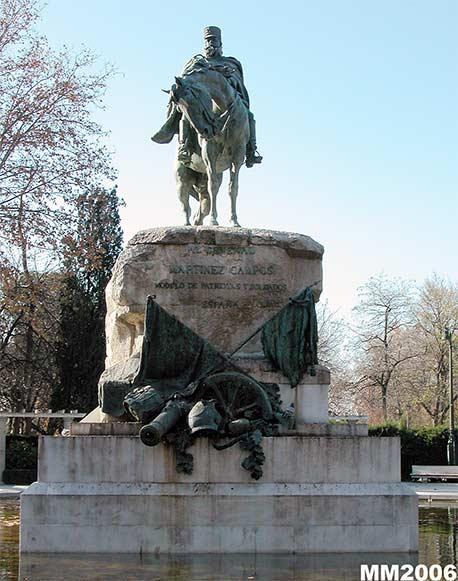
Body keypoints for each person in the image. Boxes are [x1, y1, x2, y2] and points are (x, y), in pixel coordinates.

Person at [152, 26, 262, 168]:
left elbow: (238, 82)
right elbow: (185, 79)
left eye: (214, 40)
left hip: (226, 103)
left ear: (220, 43)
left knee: (249, 115)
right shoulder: (196, 62)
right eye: (208, 41)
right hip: (201, 101)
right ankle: (183, 147)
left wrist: (227, 78)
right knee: (186, 113)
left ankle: (251, 150)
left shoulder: (230, 62)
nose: (211, 43)